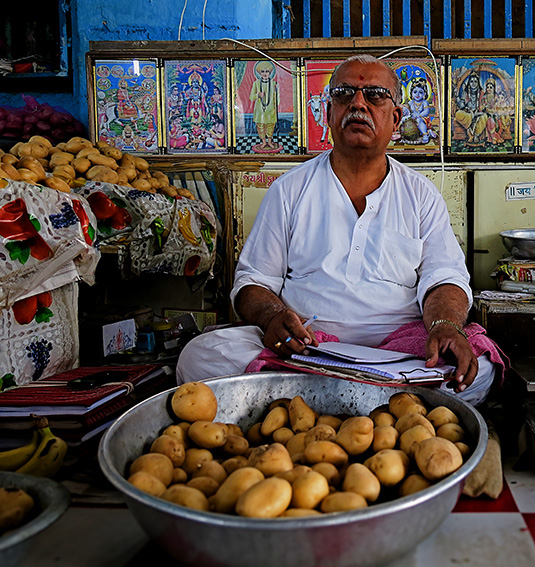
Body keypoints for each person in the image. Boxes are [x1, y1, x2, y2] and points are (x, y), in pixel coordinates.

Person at [177, 55, 499, 406]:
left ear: (395, 118)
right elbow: (253, 282)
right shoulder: (289, 190)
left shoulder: (420, 194)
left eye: (374, 95)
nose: (358, 104)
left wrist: (445, 326)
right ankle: (384, 404)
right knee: (200, 355)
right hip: (306, 348)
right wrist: (273, 316)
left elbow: (444, 278)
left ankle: (311, 400)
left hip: (401, 351)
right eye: (344, 94)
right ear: (329, 112)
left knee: (479, 368)